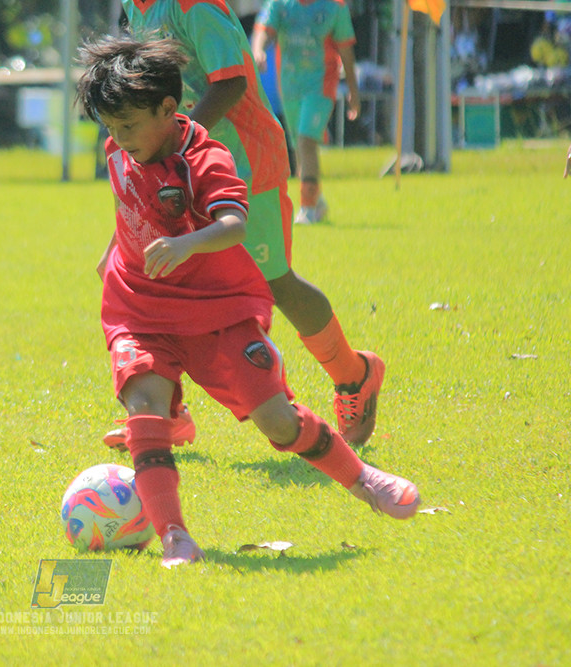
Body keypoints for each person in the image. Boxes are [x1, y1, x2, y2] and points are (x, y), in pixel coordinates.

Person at [76, 35, 420, 568]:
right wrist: (112, 251)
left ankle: (362, 479)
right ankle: (174, 537)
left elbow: (233, 224)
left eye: (128, 126)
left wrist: (188, 243)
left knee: (277, 421)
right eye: (110, 128)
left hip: (219, 308)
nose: (118, 140)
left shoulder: (206, 156)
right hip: (139, 304)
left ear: (170, 109)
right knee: (143, 405)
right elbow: (131, 204)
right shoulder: (121, 147)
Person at [104, 0, 383, 452]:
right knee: (160, 281)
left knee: (274, 283)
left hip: (243, 162)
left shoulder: (192, 6)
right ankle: (168, 414)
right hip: (176, 169)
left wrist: (179, 147)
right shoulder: (135, 7)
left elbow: (231, 82)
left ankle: (355, 374)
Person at [251, 0, 360, 225]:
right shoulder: (280, 4)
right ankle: (317, 200)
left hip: (320, 86)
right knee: (298, 146)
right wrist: (258, 50)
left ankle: (307, 207)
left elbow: (346, 50)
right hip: (290, 86)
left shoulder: (334, 7)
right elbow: (263, 28)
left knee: (306, 141)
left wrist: (353, 91)